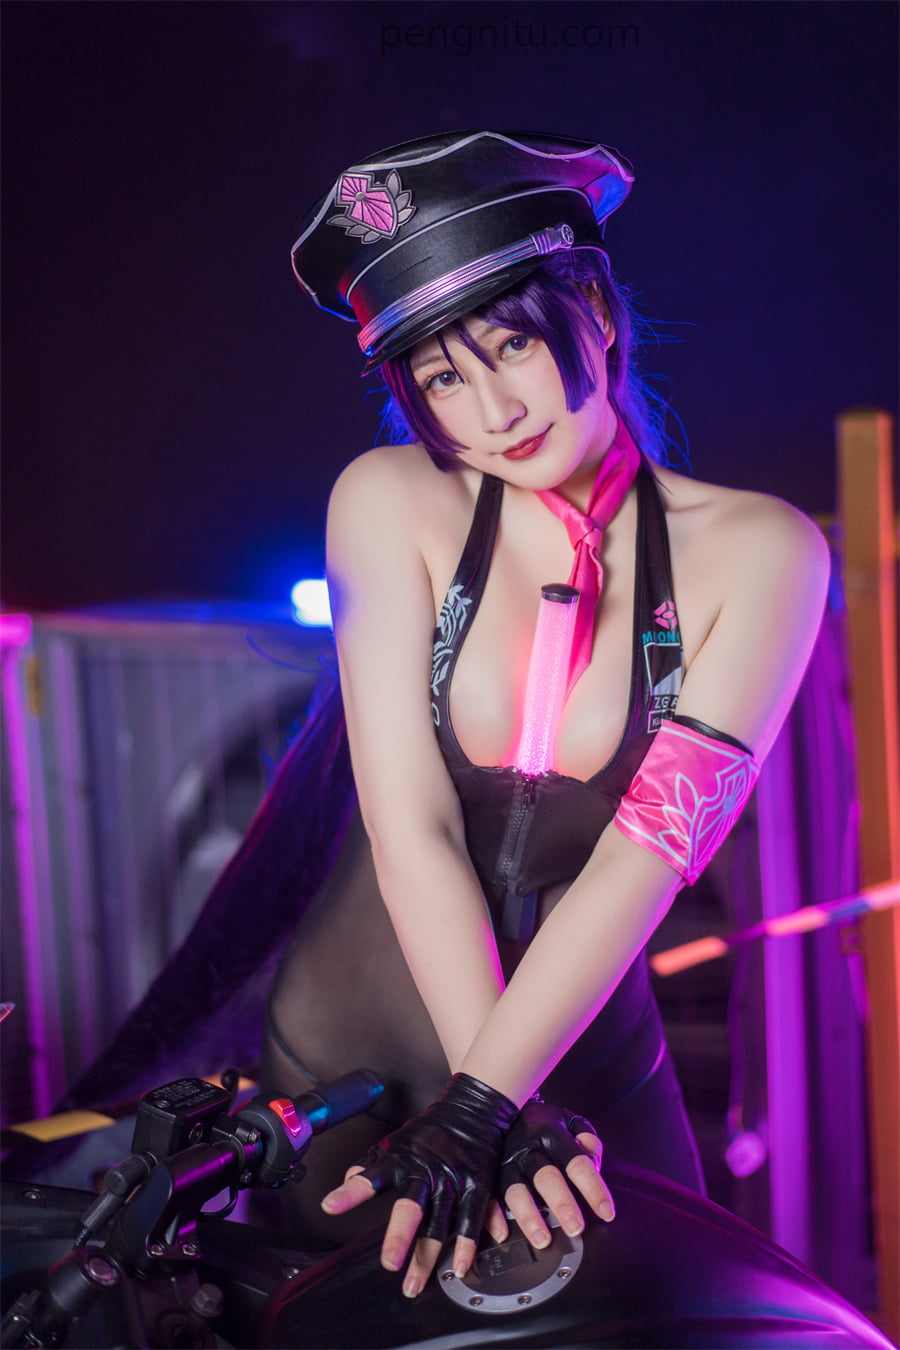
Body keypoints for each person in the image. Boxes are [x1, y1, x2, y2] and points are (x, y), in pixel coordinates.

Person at [265, 130, 830, 1300]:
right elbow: (411, 829)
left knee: (682, 1315)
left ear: (597, 311)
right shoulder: (389, 501)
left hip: (591, 1064)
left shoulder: (763, 552)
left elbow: (647, 852)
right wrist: (489, 1108)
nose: (490, 410)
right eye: (441, 378)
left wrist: (488, 1102)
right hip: (348, 1057)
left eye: (512, 344)